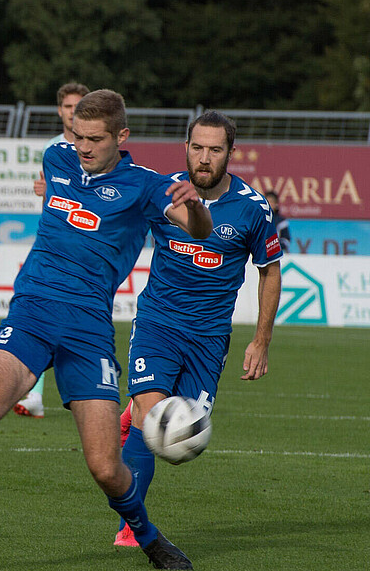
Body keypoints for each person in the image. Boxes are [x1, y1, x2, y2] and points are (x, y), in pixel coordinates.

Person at [0, 89, 211, 570]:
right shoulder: (56, 157)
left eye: (94, 139)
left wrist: (196, 206)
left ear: (122, 136)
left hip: (89, 329)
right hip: (33, 308)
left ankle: (150, 539)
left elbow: (198, 231)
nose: (83, 147)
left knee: (105, 468)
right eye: (77, 136)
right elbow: (59, 197)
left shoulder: (146, 186)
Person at [113, 111, 282, 547]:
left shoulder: (252, 207)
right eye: (197, 147)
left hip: (209, 338)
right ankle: (132, 527)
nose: (204, 158)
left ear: (230, 153)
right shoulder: (162, 191)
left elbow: (269, 271)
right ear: (185, 147)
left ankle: (132, 413)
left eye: (215, 150)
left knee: (180, 444)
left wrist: (261, 340)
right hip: (158, 323)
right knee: (153, 419)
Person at [14, 81, 90, 419]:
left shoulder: (96, 147)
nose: (73, 112)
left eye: (79, 106)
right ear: (60, 111)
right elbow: (53, 196)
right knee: (39, 310)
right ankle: (35, 393)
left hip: (86, 246)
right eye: (68, 106)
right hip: (54, 241)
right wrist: (45, 192)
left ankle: (85, 391)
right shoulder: (52, 147)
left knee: (70, 319)